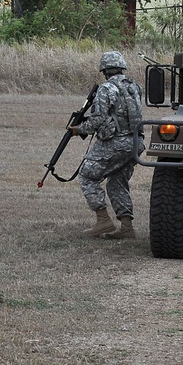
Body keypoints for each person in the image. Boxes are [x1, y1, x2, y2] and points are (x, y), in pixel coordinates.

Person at [74, 51, 145, 239]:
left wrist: (79, 129)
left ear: (104, 70)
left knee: (87, 175)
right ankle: (126, 227)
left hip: (116, 142)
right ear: (122, 67)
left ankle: (103, 220)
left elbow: (98, 118)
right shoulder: (134, 87)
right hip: (136, 142)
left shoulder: (106, 89)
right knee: (116, 181)